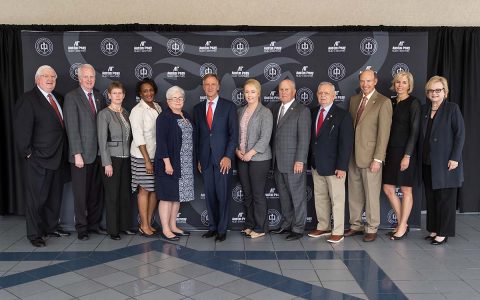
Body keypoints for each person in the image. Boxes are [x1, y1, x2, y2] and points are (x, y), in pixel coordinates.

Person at [15, 65, 70, 247]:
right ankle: (34, 234)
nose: (50, 79)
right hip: (38, 159)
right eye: (45, 76)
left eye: (53, 76)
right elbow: (22, 131)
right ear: (37, 79)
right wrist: (29, 154)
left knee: (54, 197)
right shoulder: (28, 99)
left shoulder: (59, 98)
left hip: (58, 158)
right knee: (36, 199)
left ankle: (51, 227)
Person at [345, 68, 393, 242]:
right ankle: (355, 225)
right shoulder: (354, 100)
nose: (365, 84)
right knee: (355, 193)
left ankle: (372, 227)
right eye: (362, 81)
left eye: (368, 81)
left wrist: (378, 158)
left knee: (372, 194)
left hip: (371, 156)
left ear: (375, 81)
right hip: (353, 155)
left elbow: (384, 133)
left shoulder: (383, 102)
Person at [194, 74, 239, 242]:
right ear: (203, 87)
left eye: (213, 84)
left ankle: (222, 230)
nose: (210, 87)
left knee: (223, 195)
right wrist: (198, 159)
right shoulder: (198, 109)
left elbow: (234, 135)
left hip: (223, 161)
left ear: (218, 86)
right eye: (207, 84)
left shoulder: (229, 106)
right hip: (205, 160)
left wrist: (228, 156)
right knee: (210, 195)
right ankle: (212, 227)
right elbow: (197, 136)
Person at [420, 76, 464, 245]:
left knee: (445, 199)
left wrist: (455, 158)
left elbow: (460, 135)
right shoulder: (425, 109)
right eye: (431, 90)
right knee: (431, 198)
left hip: (446, 162)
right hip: (427, 162)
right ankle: (434, 229)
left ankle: (443, 232)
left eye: (438, 90)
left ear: (445, 92)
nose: (434, 93)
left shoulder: (452, 109)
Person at [64, 64, 106, 241]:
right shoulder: (72, 97)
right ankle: (82, 228)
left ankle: (94, 224)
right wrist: (77, 153)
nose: (89, 80)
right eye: (86, 77)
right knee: (81, 195)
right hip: (81, 156)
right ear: (79, 78)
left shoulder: (98, 95)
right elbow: (71, 128)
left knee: (96, 192)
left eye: (92, 77)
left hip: (97, 154)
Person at [308, 82, 353, 243]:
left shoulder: (343, 115)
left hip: (335, 167)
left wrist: (342, 166)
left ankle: (338, 230)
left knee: (337, 199)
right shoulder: (313, 113)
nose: (323, 96)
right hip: (316, 164)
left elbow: (346, 144)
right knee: (320, 197)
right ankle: (323, 226)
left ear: (334, 96)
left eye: (326, 93)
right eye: (320, 93)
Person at [270, 79, 311, 241]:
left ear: (294, 92)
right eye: (281, 89)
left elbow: (304, 138)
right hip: (278, 162)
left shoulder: (302, 110)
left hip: (294, 162)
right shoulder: (275, 108)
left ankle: (298, 228)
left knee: (297, 197)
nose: (284, 92)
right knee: (284, 197)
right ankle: (287, 225)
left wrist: (300, 160)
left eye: (287, 89)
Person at [382, 71, 421, 240]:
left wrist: (408, 155)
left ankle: (402, 226)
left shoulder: (414, 103)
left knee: (405, 189)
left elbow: (415, 131)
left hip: (406, 151)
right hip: (390, 151)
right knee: (388, 188)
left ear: (409, 85)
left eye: (404, 82)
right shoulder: (390, 102)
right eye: (398, 82)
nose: (400, 85)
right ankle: (403, 224)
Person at [155, 86, 195, 241]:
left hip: (185, 164)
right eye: (174, 98)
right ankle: (165, 229)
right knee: (166, 197)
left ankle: (173, 226)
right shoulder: (164, 118)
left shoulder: (185, 115)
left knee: (176, 197)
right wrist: (167, 163)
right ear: (168, 101)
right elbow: (162, 142)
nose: (178, 101)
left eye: (180, 98)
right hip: (170, 164)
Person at [235, 79, 273, 239]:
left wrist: (251, 153)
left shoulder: (265, 112)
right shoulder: (240, 111)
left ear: (258, 93)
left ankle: (260, 227)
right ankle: (250, 224)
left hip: (259, 158)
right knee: (248, 193)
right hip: (241, 157)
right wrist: (237, 151)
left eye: (252, 91)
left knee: (257, 193)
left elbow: (265, 138)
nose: (249, 95)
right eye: (246, 91)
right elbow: (237, 134)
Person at [97, 81, 135, 240]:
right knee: (112, 196)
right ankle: (113, 230)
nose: (118, 96)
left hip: (126, 159)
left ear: (124, 95)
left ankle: (124, 226)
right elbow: (102, 140)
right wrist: (107, 163)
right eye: (115, 93)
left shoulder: (126, 112)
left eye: (120, 93)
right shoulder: (104, 114)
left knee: (125, 195)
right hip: (111, 159)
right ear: (109, 95)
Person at [130, 79, 162, 237]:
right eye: (145, 91)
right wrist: (147, 160)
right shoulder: (137, 111)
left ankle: (148, 223)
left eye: (151, 90)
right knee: (144, 190)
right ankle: (143, 225)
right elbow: (138, 137)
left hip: (157, 155)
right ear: (140, 94)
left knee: (154, 190)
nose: (148, 93)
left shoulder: (157, 106)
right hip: (142, 157)